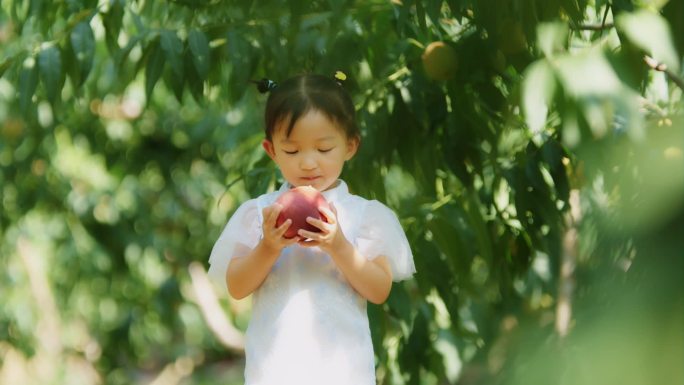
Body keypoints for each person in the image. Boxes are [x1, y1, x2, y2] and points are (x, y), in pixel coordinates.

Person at [208, 72, 416, 385]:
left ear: (350, 146)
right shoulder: (259, 214)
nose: (308, 163)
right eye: (292, 151)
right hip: (274, 372)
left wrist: (339, 245)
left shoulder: (363, 216)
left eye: (323, 149)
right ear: (271, 150)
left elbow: (379, 290)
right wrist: (268, 246)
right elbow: (236, 287)